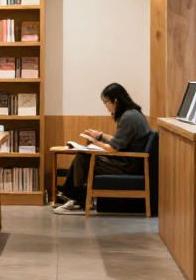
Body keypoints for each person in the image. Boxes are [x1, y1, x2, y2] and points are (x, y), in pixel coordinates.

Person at [54, 82, 152, 214]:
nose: (106, 106)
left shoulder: (128, 118)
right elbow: (119, 141)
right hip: (130, 160)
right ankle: (77, 199)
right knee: (85, 156)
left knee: (83, 158)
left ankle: (75, 200)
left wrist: (95, 142)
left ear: (115, 101)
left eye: (106, 102)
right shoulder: (134, 113)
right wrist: (100, 135)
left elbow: (113, 148)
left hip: (129, 164)